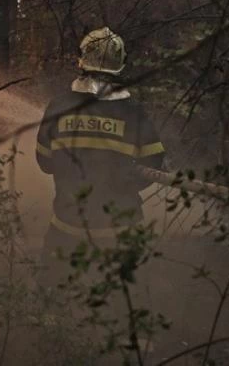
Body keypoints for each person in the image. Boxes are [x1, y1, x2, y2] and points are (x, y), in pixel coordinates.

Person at [34, 28, 167, 356]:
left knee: (51, 292)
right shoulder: (132, 112)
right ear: (120, 68)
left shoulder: (59, 106)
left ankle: (50, 350)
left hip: (68, 223)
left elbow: (45, 162)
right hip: (120, 228)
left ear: (82, 63)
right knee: (129, 294)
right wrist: (123, 182)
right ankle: (135, 352)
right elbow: (155, 163)